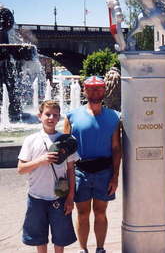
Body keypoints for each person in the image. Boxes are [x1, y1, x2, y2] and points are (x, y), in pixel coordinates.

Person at [64, 75, 121, 253]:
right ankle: (83, 249)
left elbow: (116, 148)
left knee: (100, 212)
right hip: (81, 171)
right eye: (91, 88)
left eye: (99, 88)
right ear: (84, 90)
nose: (95, 91)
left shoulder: (113, 117)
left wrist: (115, 176)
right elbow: (66, 150)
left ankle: (100, 248)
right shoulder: (71, 117)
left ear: (104, 90)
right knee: (82, 214)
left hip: (104, 171)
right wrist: (67, 180)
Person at [18, 100, 78, 253]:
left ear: (59, 118)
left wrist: (71, 197)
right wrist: (40, 161)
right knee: (39, 237)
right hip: (36, 197)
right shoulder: (31, 140)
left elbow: (71, 170)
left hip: (60, 196)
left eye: (55, 115)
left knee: (60, 237)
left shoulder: (67, 140)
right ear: (39, 116)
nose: (51, 118)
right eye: (47, 114)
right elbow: (21, 169)